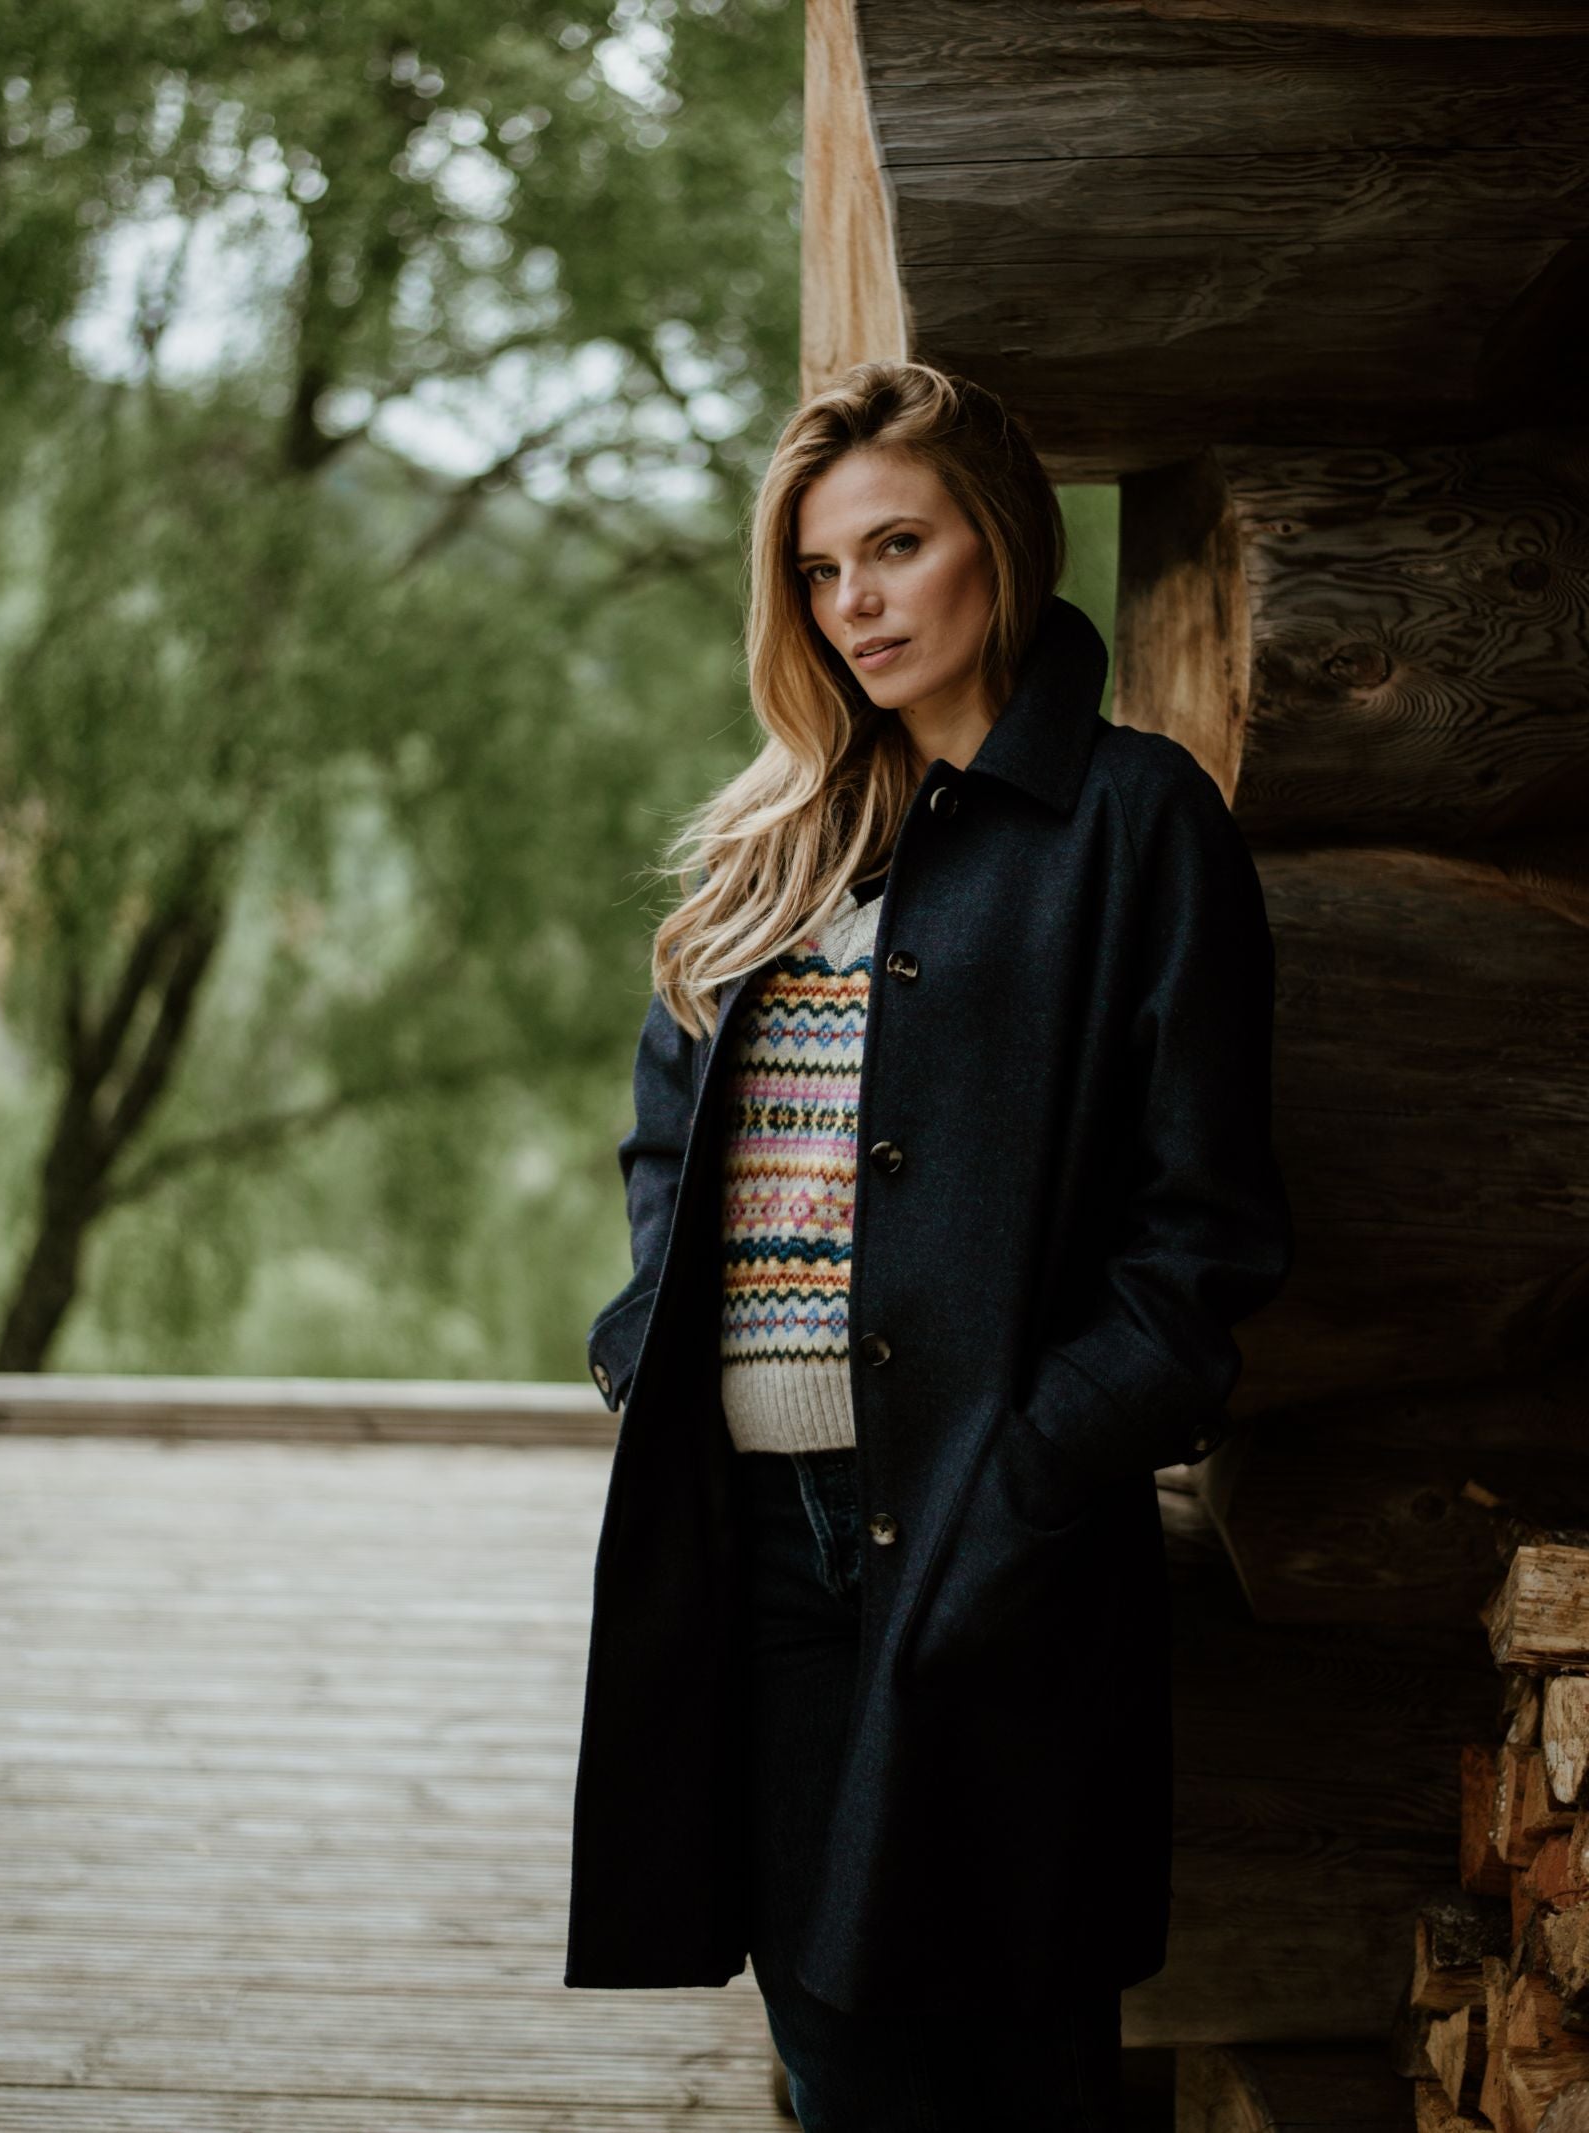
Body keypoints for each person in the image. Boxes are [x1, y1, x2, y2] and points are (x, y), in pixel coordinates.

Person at [566, 361, 1295, 2131]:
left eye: (897, 546)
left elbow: (1200, 1243)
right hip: (762, 1550)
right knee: (836, 2040)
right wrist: (638, 1333)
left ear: (1005, 546)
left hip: (1003, 1545)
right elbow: (671, 1150)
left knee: (1014, 2045)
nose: (857, 603)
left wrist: (1028, 1470)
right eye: (821, 571)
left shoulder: (1134, 825)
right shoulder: (774, 837)